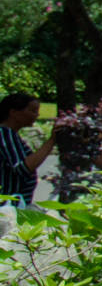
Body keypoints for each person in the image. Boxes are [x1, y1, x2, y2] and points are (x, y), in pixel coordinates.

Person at [1, 92, 57, 234]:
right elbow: (22, 168)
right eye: (32, 111)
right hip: (7, 208)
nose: (36, 115)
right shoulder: (4, 134)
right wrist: (51, 141)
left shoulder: (11, 135)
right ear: (13, 112)